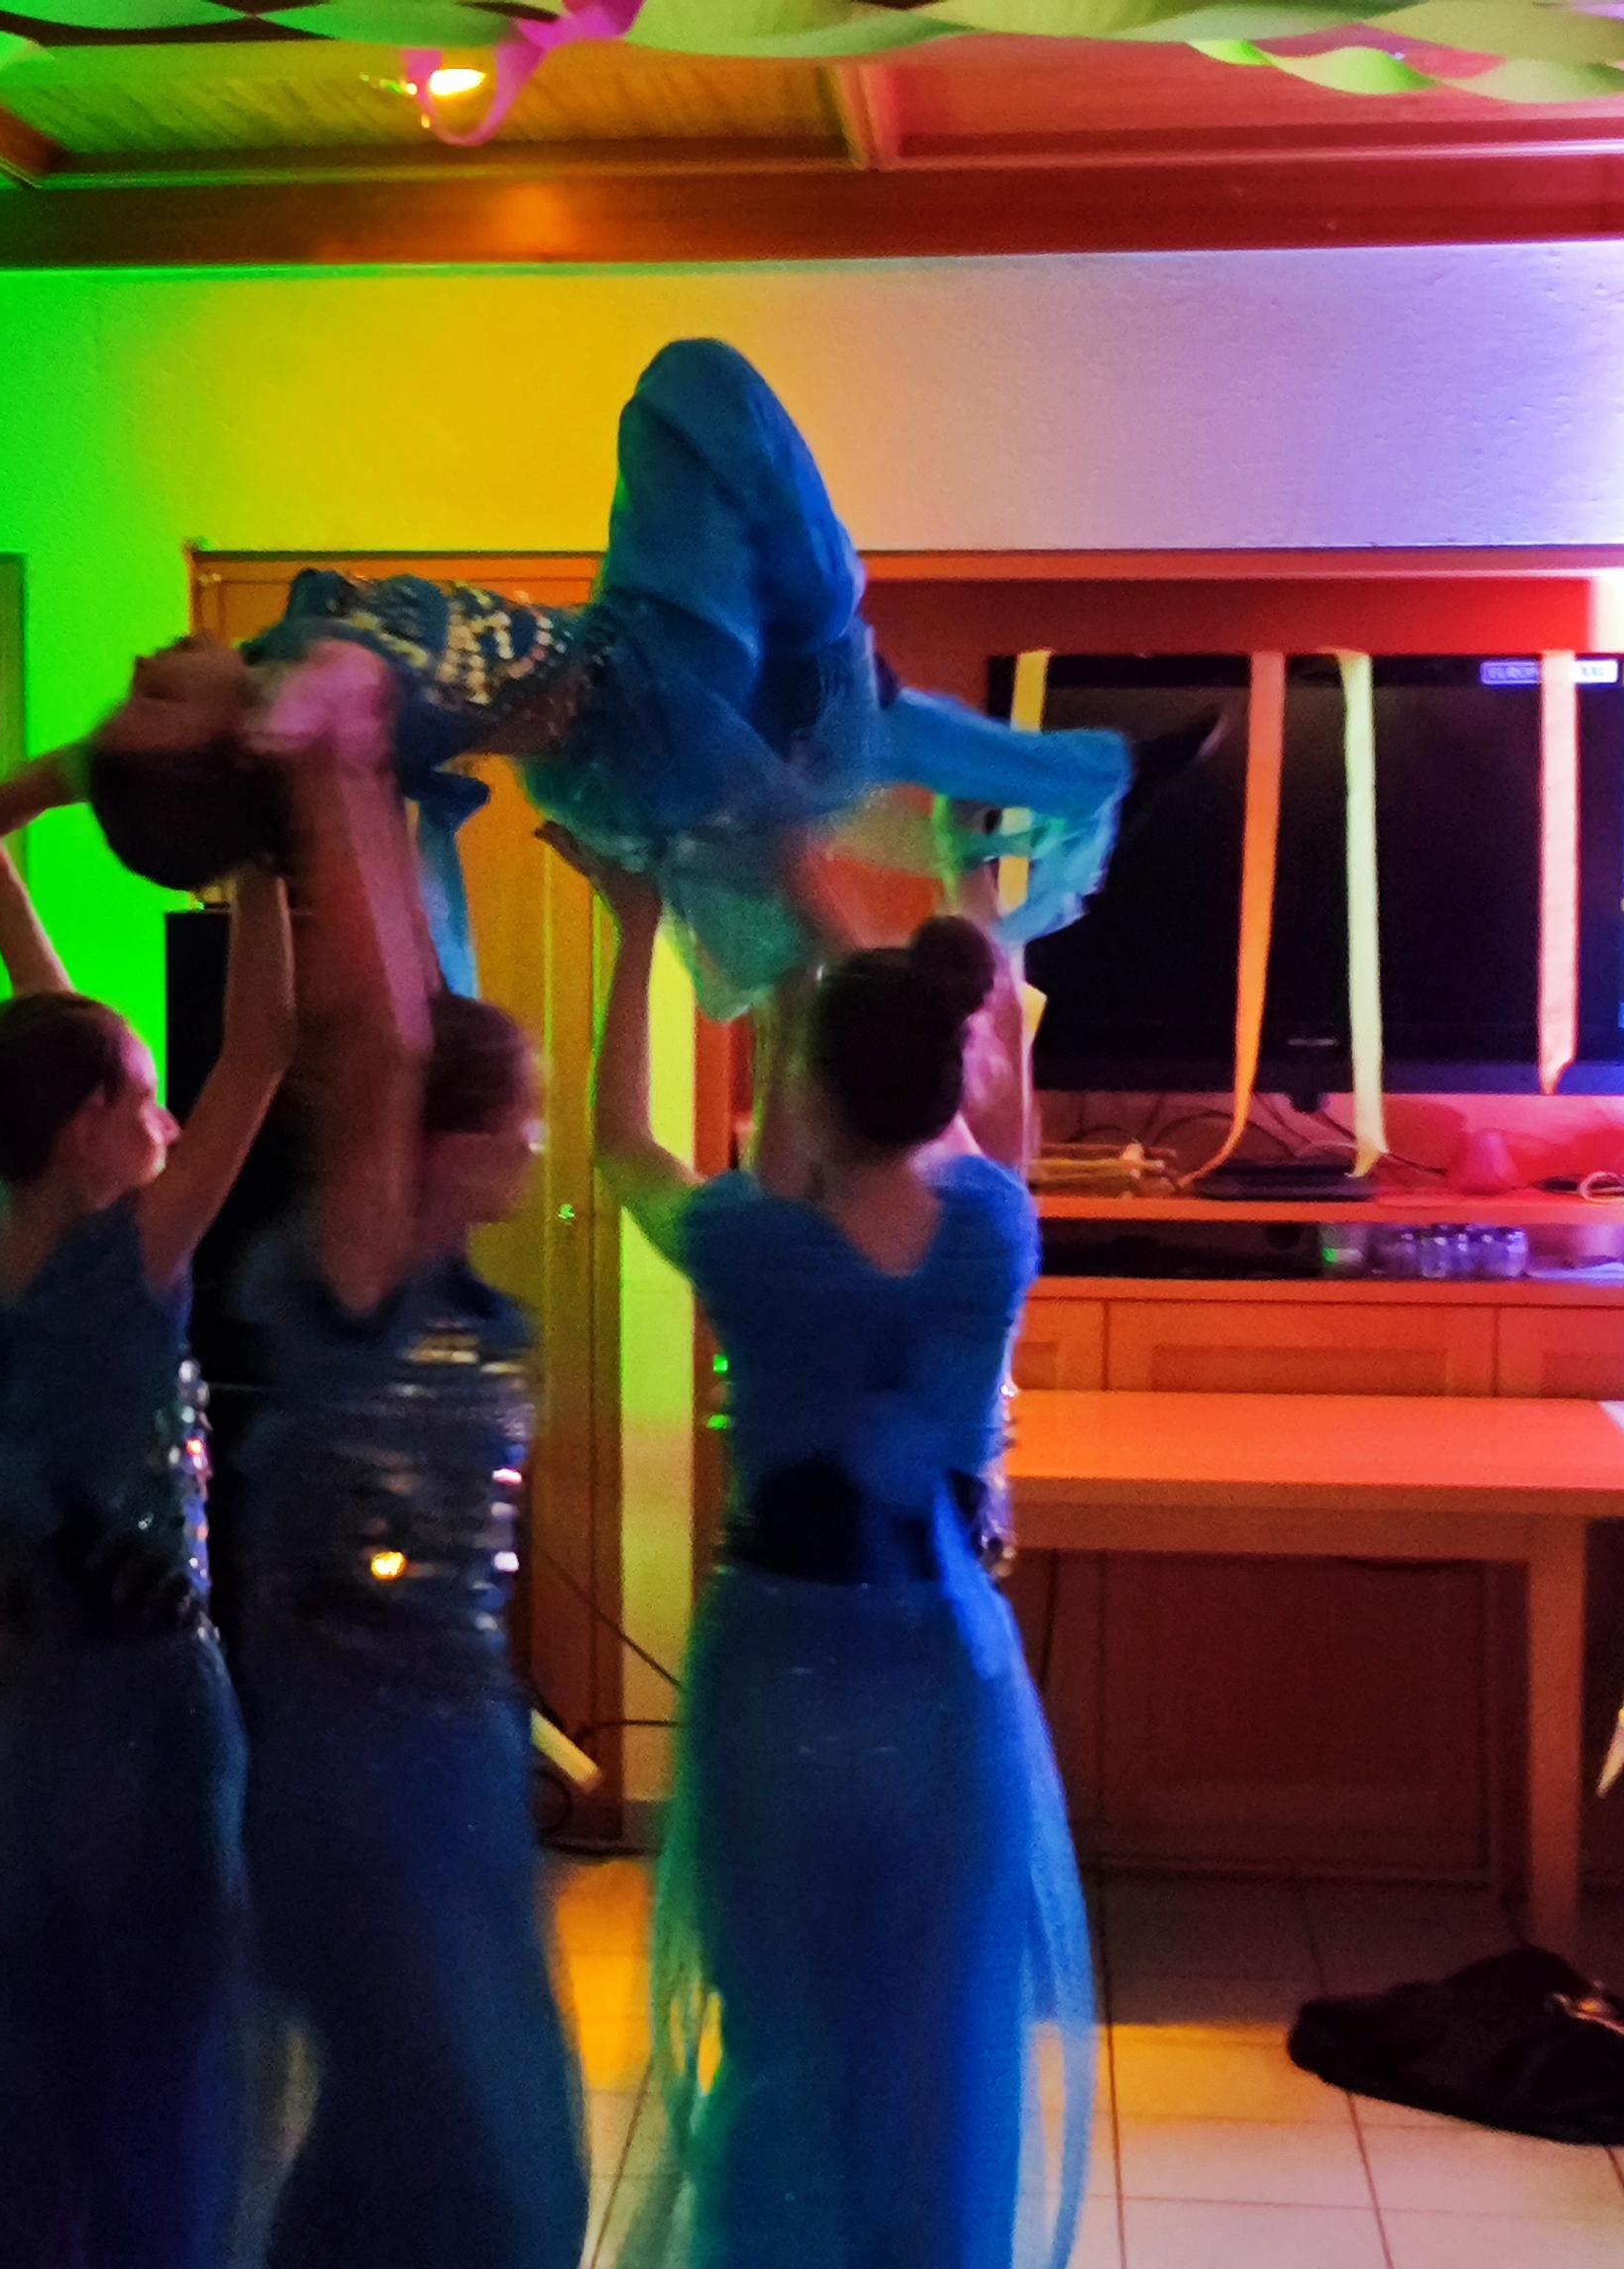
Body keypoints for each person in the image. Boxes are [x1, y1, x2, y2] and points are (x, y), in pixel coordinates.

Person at [567, 836, 1096, 2269]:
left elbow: (623, 1149)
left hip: (783, 1668)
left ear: (802, 1092)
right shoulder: (994, 1233)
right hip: (944, 1669)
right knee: (937, 2022)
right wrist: (938, 931)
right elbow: (994, 1137)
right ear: (947, 1081)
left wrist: (637, 930)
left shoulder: (758, 1247)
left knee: (784, 2017)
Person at [72, 339, 1132, 1016]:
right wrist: (309, 700)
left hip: (628, 734)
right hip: (645, 691)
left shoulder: (281, 689)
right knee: (690, 389)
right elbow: (358, 677)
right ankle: (828, 612)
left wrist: (28, 789)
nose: (142, 664)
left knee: (862, 727)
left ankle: (1083, 775)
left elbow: (160, 767)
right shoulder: (319, 701)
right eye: (155, 698)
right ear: (241, 744)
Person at [0, 796, 292, 2267]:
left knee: (34, 2021)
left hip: (19, 1710)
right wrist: (255, 845)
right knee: (160, 2030)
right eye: (145, 1102)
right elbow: (261, 1049)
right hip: (148, 1701)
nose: (169, 1122)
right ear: (86, 1135)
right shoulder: (136, 1258)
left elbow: (52, 1058)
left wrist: (4, 887)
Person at [231, 645, 589, 2269]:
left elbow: (406, 1023)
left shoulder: (436, 1281)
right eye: (518, 1114)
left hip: (448, 1762)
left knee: (438, 2142)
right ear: (439, 1142)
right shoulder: (357, 1278)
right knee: (458, 2149)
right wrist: (342, 768)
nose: (536, 1138)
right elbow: (376, 1045)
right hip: (360, 1775)